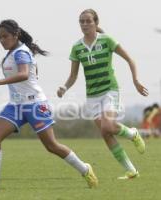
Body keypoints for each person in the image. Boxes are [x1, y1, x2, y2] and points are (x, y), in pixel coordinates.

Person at [0, 19, 98, 189]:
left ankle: (85, 169)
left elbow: (24, 74)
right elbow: (31, 73)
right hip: (16, 105)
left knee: (51, 146)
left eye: (5, 36)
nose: (2, 40)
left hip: (34, 105)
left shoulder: (20, 53)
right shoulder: (12, 52)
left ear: (15, 36)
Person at [57, 9, 149, 180]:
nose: (84, 24)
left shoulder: (106, 40)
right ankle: (131, 170)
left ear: (96, 23)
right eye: (81, 21)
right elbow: (73, 76)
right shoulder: (77, 47)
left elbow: (130, 59)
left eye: (88, 21)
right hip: (92, 96)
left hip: (109, 90)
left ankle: (133, 134)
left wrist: (136, 81)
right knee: (106, 134)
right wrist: (64, 87)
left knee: (108, 126)